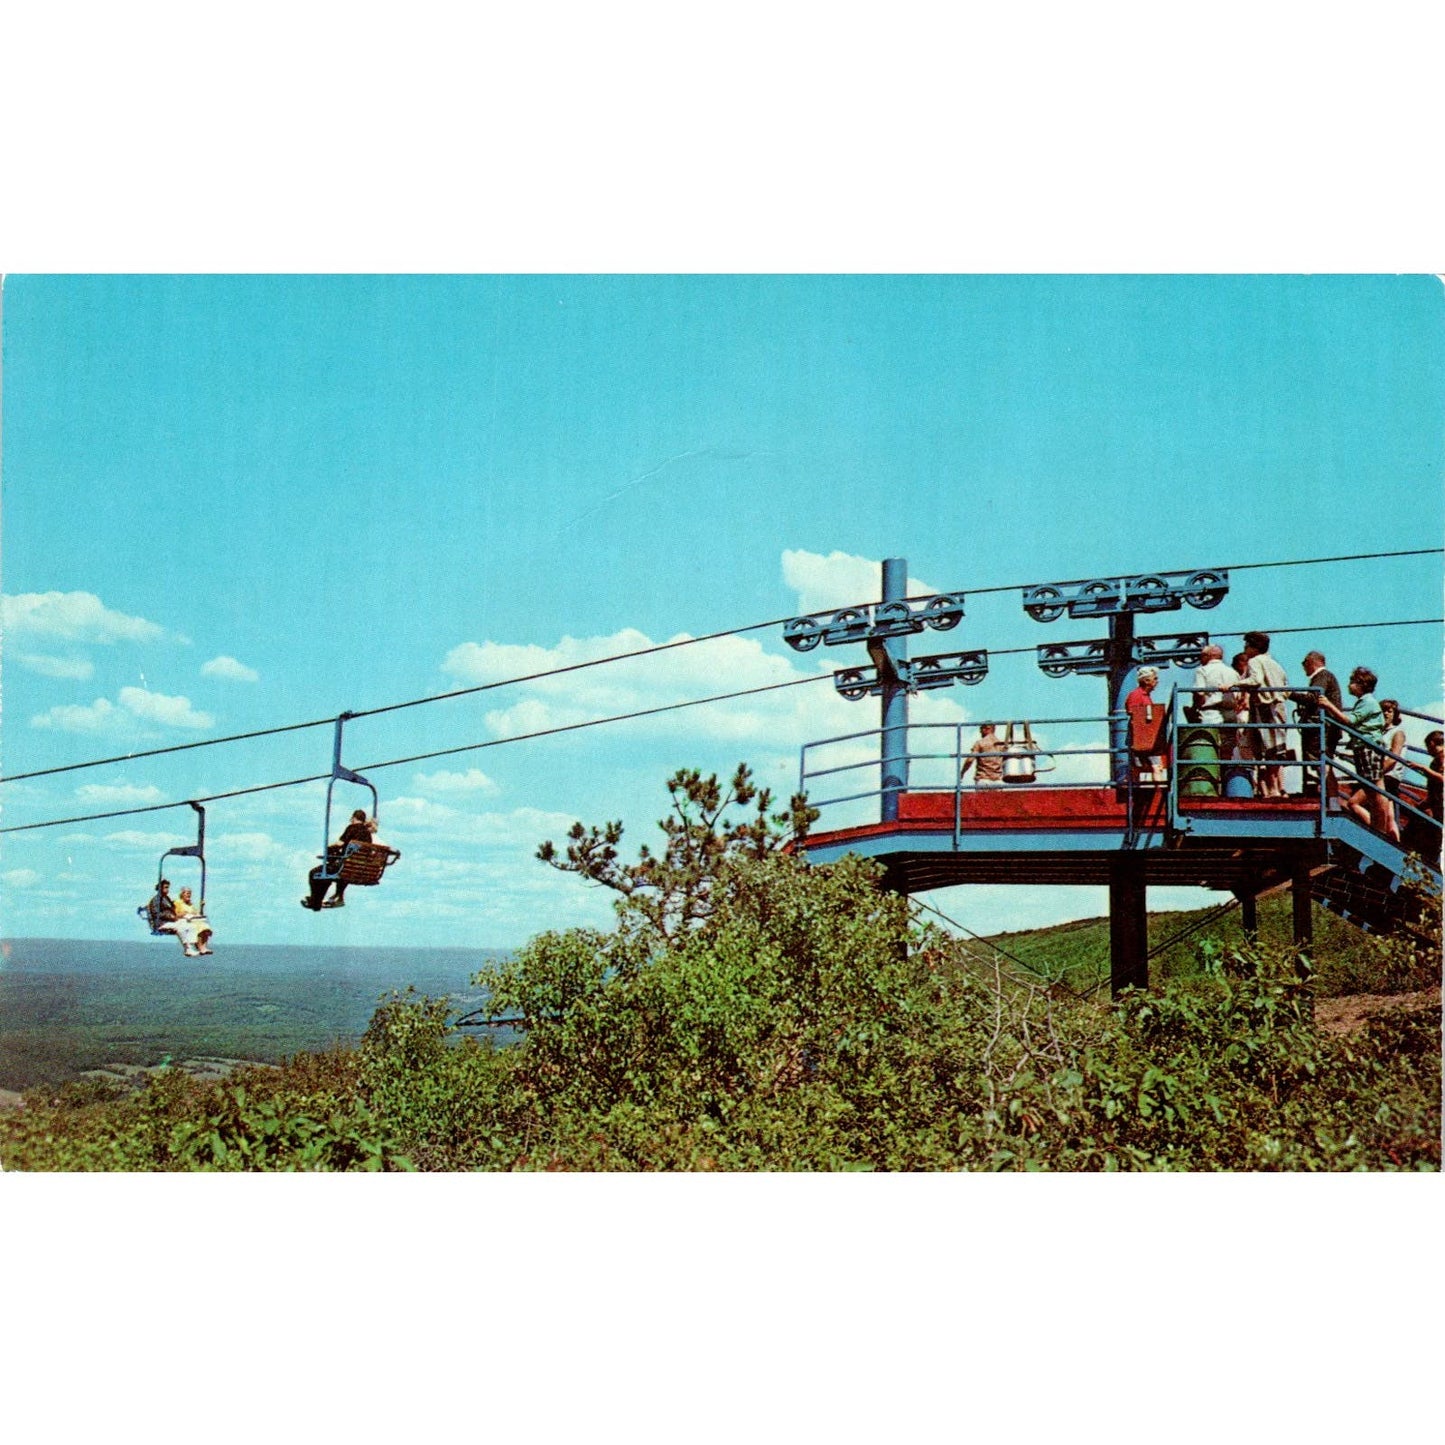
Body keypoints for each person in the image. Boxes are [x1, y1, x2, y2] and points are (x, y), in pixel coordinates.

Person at [1316, 666, 1397, 841]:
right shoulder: (1364, 702)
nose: (1349, 685)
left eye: (1352, 682)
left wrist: (1328, 704)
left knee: (1376, 790)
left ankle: (1380, 830)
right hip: (1363, 748)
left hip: (1368, 748)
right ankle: (1378, 827)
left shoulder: (1367, 702)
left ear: (1361, 684)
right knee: (1371, 790)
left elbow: (1349, 720)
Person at [1240, 631, 1290, 799]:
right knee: (1276, 749)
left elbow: (1256, 681)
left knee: (1265, 749)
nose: (1245, 648)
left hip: (1264, 707)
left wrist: (1234, 684)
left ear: (1254, 647)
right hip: (1279, 708)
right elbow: (1285, 685)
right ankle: (1276, 788)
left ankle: (1271, 789)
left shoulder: (1254, 661)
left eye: (1247, 645)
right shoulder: (1275, 664)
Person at [1292, 650, 1342, 800]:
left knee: (1321, 762)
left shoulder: (1322, 676)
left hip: (1323, 728)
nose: (1303, 667)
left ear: (1312, 662)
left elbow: (1314, 697)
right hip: (1326, 726)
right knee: (1322, 763)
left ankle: (1332, 799)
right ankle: (1331, 798)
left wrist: (1290, 694)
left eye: (1304, 663)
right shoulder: (1326, 676)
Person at [303, 809, 377, 910]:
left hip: (345, 867)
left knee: (314, 873)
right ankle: (317, 902)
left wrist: (329, 847)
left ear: (354, 818)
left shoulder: (352, 828)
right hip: (356, 868)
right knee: (328, 874)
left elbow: (340, 843)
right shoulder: (367, 834)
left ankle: (315, 902)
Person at [1125, 667, 1167, 783]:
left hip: (1146, 737)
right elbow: (1133, 711)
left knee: (1151, 766)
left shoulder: (1145, 696)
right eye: (1155, 678)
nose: (1157, 681)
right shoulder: (1136, 695)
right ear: (1146, 681)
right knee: (1154, 766)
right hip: (1144, 738)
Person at [1377, 699, 1408, 834]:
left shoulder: (1397, 732)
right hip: (1384, 775)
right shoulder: (1382, 732)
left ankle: (1379, 834)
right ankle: (1392, 838)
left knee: (1354, 803)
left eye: (1389, 711)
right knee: (1389, 816)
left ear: (1395, 714)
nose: (1386, 714)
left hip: (1389, 776)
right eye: (1383, 711)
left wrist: (1376, 772)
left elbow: (1393, 759)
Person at [1230, 650, 1258, 796]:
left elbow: (1245, 703)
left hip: (1244, 717)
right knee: (1243, 753)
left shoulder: (1246, 679)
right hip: (1244, 717)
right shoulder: (1246, 678)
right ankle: (1252, 785)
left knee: (1245, 752)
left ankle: (1251, 785)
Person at [160, 885, 214, 956]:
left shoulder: (190, 904)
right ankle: (199, 947)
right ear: (182, 894)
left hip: (193, 919)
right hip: (184, 920)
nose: (189, 895)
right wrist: (184, 914)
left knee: (206, 927)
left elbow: (196, 913)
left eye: (190, 893)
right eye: (187, 893)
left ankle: (203, 947)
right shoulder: (178, 902)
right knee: (199, 927)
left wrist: (201, 907)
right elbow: (175, 913)